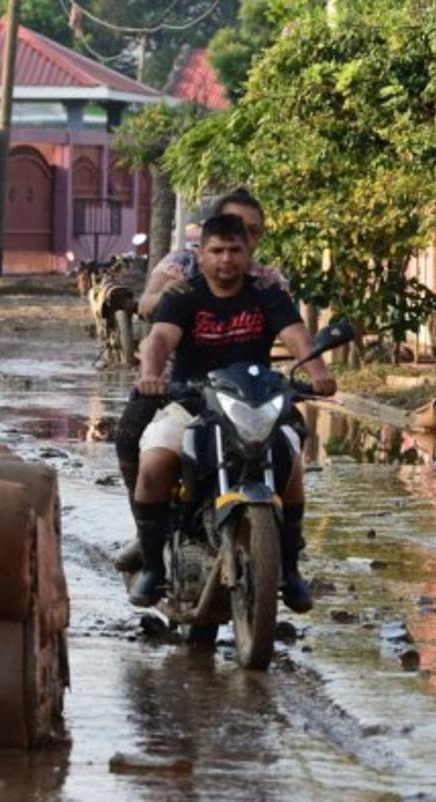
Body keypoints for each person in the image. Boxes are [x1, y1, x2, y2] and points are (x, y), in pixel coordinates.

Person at [124, 214, 336, 613]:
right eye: (216, 251)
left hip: (257, 401)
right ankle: (153, 566)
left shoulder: (267, 293)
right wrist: (151, 375)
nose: (226, 260)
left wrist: (319, 373)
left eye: (234, 250)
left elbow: (295, 335)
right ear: (200, 255)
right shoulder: (183, 295)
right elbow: (160, 339)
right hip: (192, 403)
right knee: (153, 466)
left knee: (290, 469)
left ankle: (289, 570)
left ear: (248, 252)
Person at [114, 189, 286, 575]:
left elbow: (289, 325)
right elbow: (147, 305)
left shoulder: (267, 281)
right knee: (132, 440)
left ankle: (286, 556)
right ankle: (149, 534)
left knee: (289, 446)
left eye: (252, 233)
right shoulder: (183, 268)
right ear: (209, 234)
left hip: (246, 391)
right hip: (174, 383)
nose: (239, 246)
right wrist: (174, 304)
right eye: (235, 230)